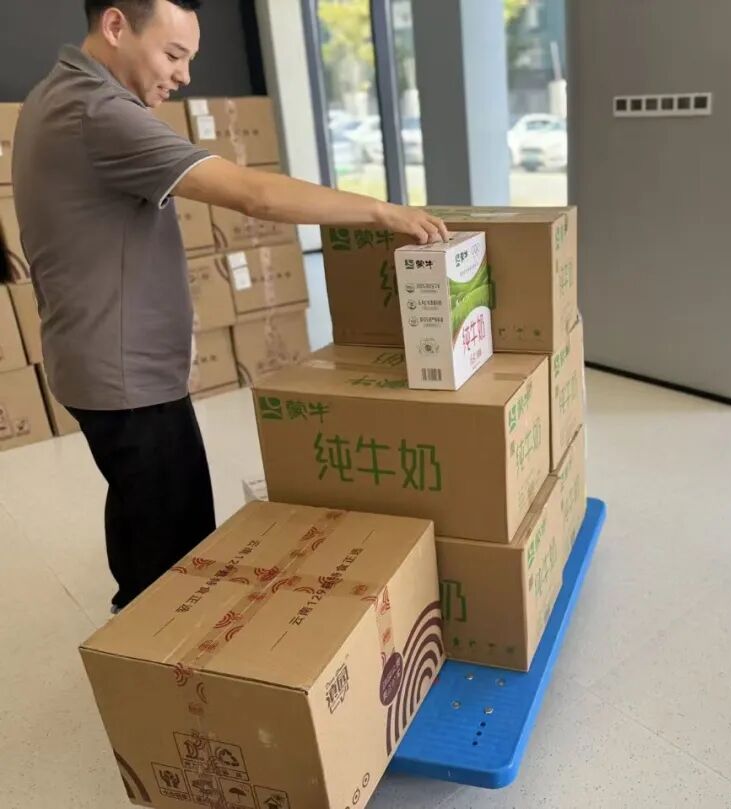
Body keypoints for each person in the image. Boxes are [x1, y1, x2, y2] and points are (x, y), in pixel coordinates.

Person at [11, 0, 448, 613]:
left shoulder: (51, 94)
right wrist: (381, 211)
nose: (184, 75)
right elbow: (254, 195)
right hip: (127, 377)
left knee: (140, 506)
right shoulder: (99, 111)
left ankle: (133, 612)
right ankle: (158, 649)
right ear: (115, 26)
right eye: (173, 54)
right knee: (177, 556)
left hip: (94, 360)